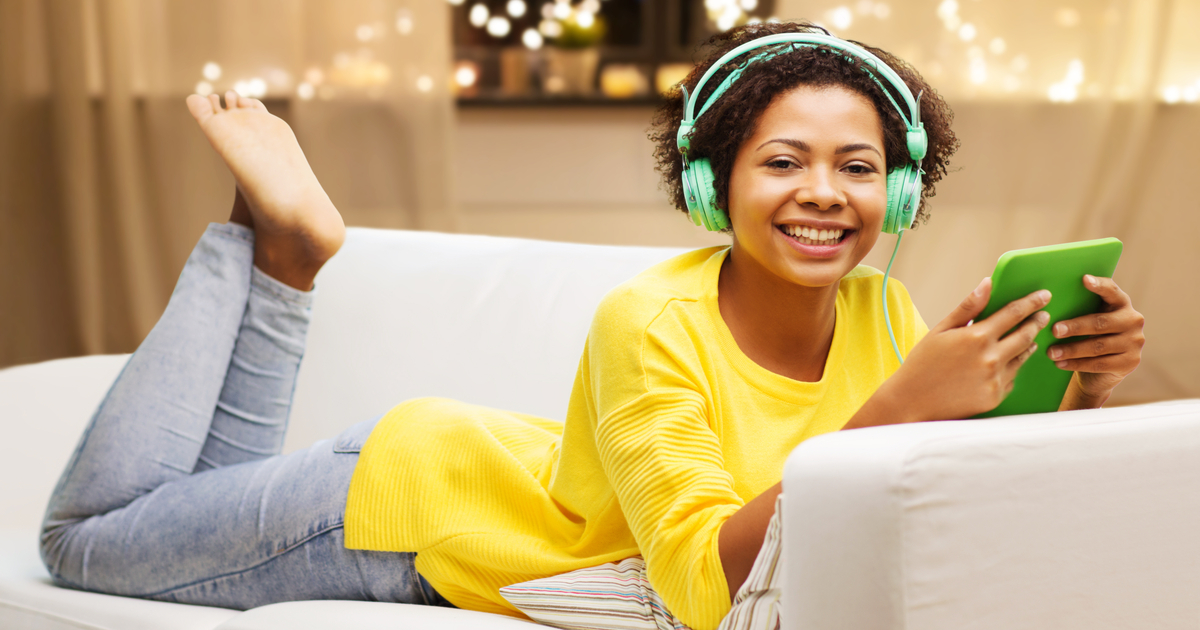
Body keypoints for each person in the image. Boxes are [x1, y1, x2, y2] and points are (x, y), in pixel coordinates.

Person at [39, 21, 1145, 630]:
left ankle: (284, 254)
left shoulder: (882, 309)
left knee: (176, 507)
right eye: (783, 162)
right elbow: (704, 592)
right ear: (715, 187)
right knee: (84, 541)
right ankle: (272, 252)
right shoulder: (647, 321)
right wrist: (898, 408)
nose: (825, 193)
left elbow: (920, 504)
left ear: (897, 198)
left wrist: (1082, 388)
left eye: (859, 168)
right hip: (398, 514)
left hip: (487, 468)